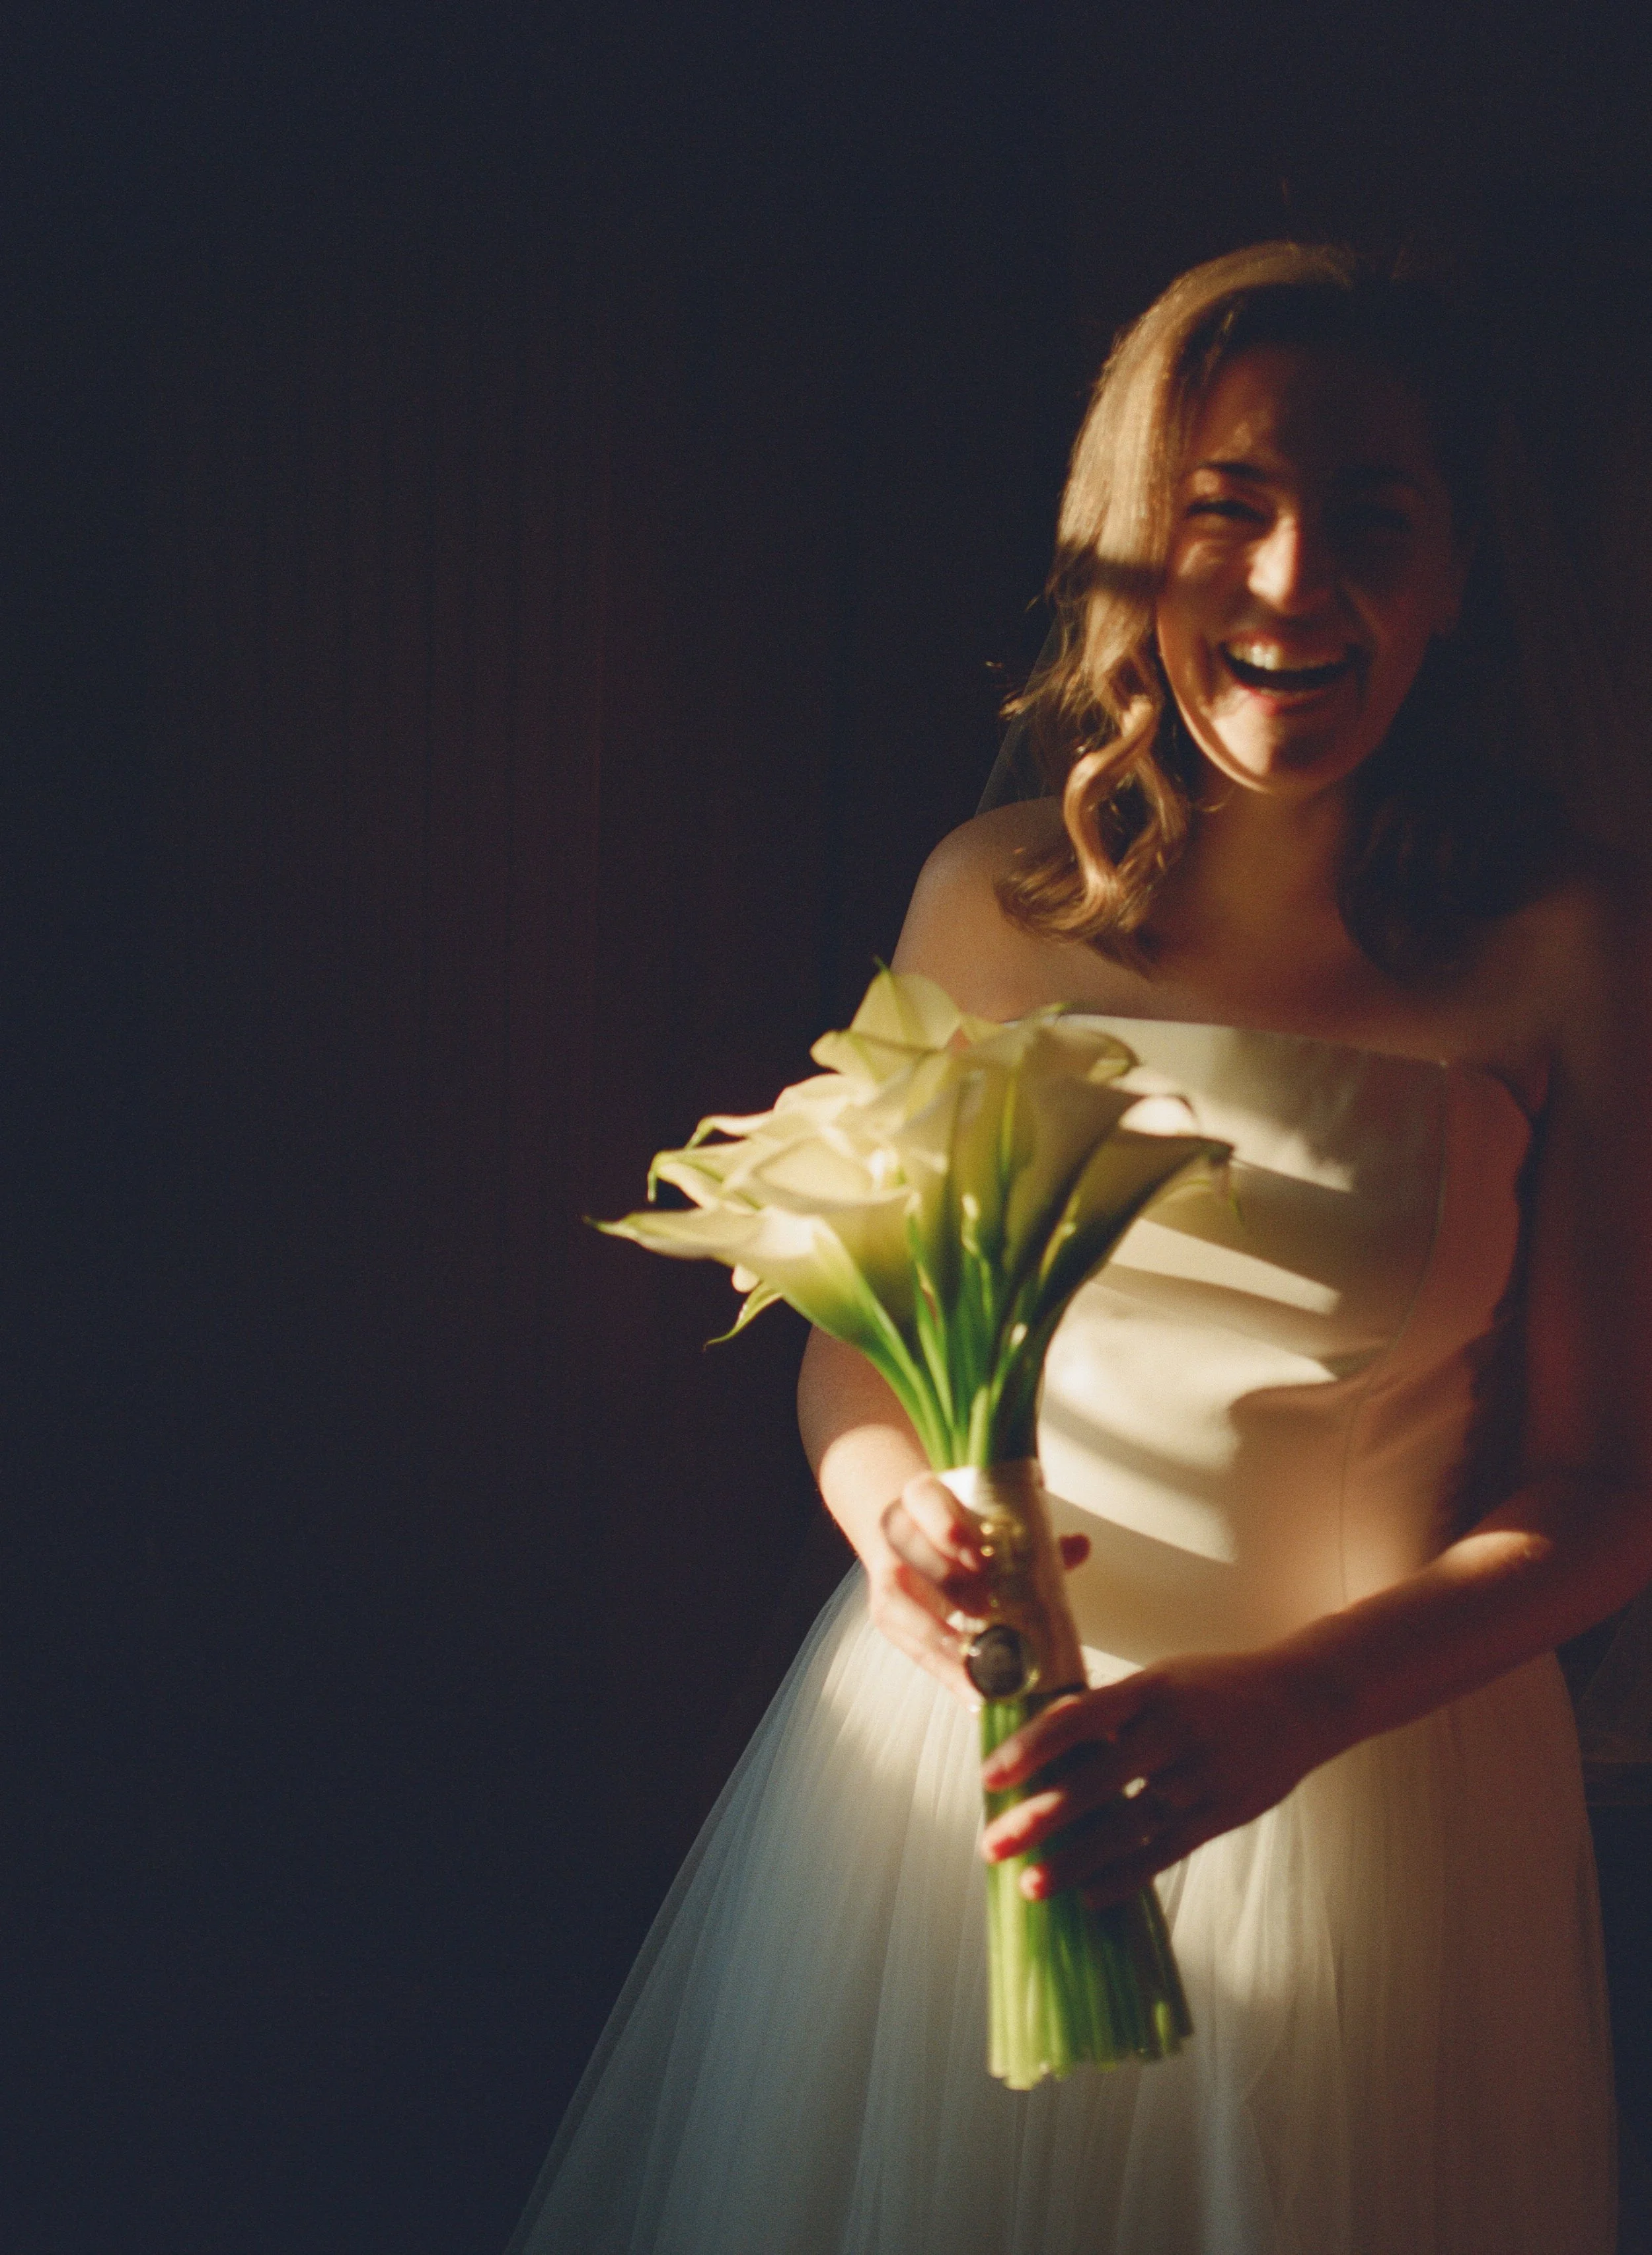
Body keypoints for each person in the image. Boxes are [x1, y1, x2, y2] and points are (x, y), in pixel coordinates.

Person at [508, 242, 1652, 2254]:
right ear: (1129, 551)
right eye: (1229, 513)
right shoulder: (992, 900)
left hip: (1368, 1790)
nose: (1296, 587)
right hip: (957, 1775)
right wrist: (885, 1512)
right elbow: (856, 1336)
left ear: (1458, 574)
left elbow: (1601, 1494)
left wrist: (1288, 1708)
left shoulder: (1558, 951)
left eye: (1371, 523)